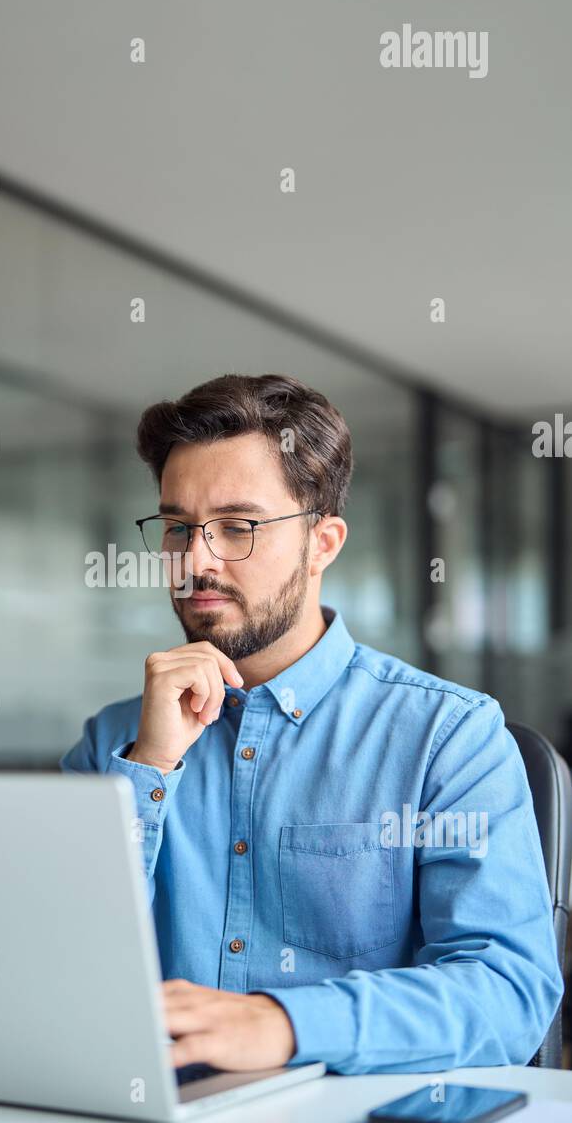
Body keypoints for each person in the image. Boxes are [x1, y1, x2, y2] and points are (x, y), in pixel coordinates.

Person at [61, 373, 563, 1075]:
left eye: (238, 526)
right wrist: (149, 769)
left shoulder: (449, 738)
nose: (196, 560)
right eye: (178, 527)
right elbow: (56, 973)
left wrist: (285, 1024)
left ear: (323, 542)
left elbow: (507, 995)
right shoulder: (114, 742)